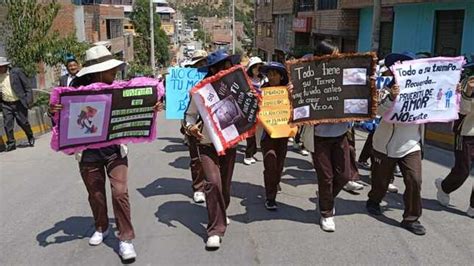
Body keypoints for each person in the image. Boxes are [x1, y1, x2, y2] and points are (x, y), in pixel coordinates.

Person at [49, 45, 164, 260]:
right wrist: (54, 111)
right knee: (96, 194)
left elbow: (142, 97)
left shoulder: (119, 89)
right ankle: (101, 226)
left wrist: (152, 106)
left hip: (114, 151)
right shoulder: (75, 93)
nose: (115, 73)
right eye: (111, 70)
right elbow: (62, 120)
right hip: (88, 153)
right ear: (99, 72)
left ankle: (126, 238)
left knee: (120, 192)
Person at [366, 51, 428, 235]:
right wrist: (391, 98)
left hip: (411, 144)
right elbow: (376, 112)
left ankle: (411, 218)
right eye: (399, 66)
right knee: (380, 181)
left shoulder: (424, 88)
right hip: (384, 145)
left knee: (414, 180)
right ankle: (374, 200)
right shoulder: (384, 90)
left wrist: (461, 93)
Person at [184, 50, 241, 249]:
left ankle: (221, 212)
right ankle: (215, 230)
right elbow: (189, 116)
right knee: (213, 183)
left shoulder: (237, 88)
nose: (229, 70)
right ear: (214, 69)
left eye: (229, 66)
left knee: (225, 184)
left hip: (230, 143)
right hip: (207, 144)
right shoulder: (199, 91)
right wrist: (191, 127)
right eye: (225, 67)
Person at [301, 40, 351, 232]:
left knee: (344, 175)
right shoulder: (308, 75)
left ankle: (326, 197)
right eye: (333, 55)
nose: (337, 58)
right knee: (326, 177)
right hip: (319, 135)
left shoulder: (343, 73)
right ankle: (326, 212)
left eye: (338, 54)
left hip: (340, 134)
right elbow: (299, 102)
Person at [435, 63, 474, 218]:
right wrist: (469, 92)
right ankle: (444, 187)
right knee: (463, 170)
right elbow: (463, 110)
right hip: (466, 133)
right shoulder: (468, 82)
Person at [258, 62, 290, 210]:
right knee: (270, 161)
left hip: (284, 134)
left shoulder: (288, 90)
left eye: (274, 74)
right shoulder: (262, 90)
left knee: (279, 164)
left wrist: (292, 95)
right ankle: (270, 197)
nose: (271, 77)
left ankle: (275, 182)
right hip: (267, 134)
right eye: (269, 74)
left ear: (281, 76)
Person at [182, 49, 208, 203]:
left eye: (204, 62)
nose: (202, 65)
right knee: (196, 157)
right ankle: (198, 188)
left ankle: (212, 185)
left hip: (212, 124)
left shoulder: (214, 78)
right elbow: (182, 106)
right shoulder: (187, 81)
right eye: (199, 63)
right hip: (193, 121)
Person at [0, 56, 35, 152]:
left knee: (23, 122)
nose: (0, 69)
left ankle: (30, 135)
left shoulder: (16, 72)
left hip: (19, 102)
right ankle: (11, 143)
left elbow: (27, 87)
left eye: (2, 66)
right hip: (6, 103)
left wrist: (28, 100)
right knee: (8, 124)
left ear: (6, 66)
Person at [243, 56, 265, 165]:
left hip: (261, 110)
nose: (257, 69)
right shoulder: (246, 79)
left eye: (259, 67)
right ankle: (248, 154)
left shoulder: (264, 79)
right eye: (255, 67)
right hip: (249, 110)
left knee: (258, 133)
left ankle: (253, 151)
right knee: (250, 133)